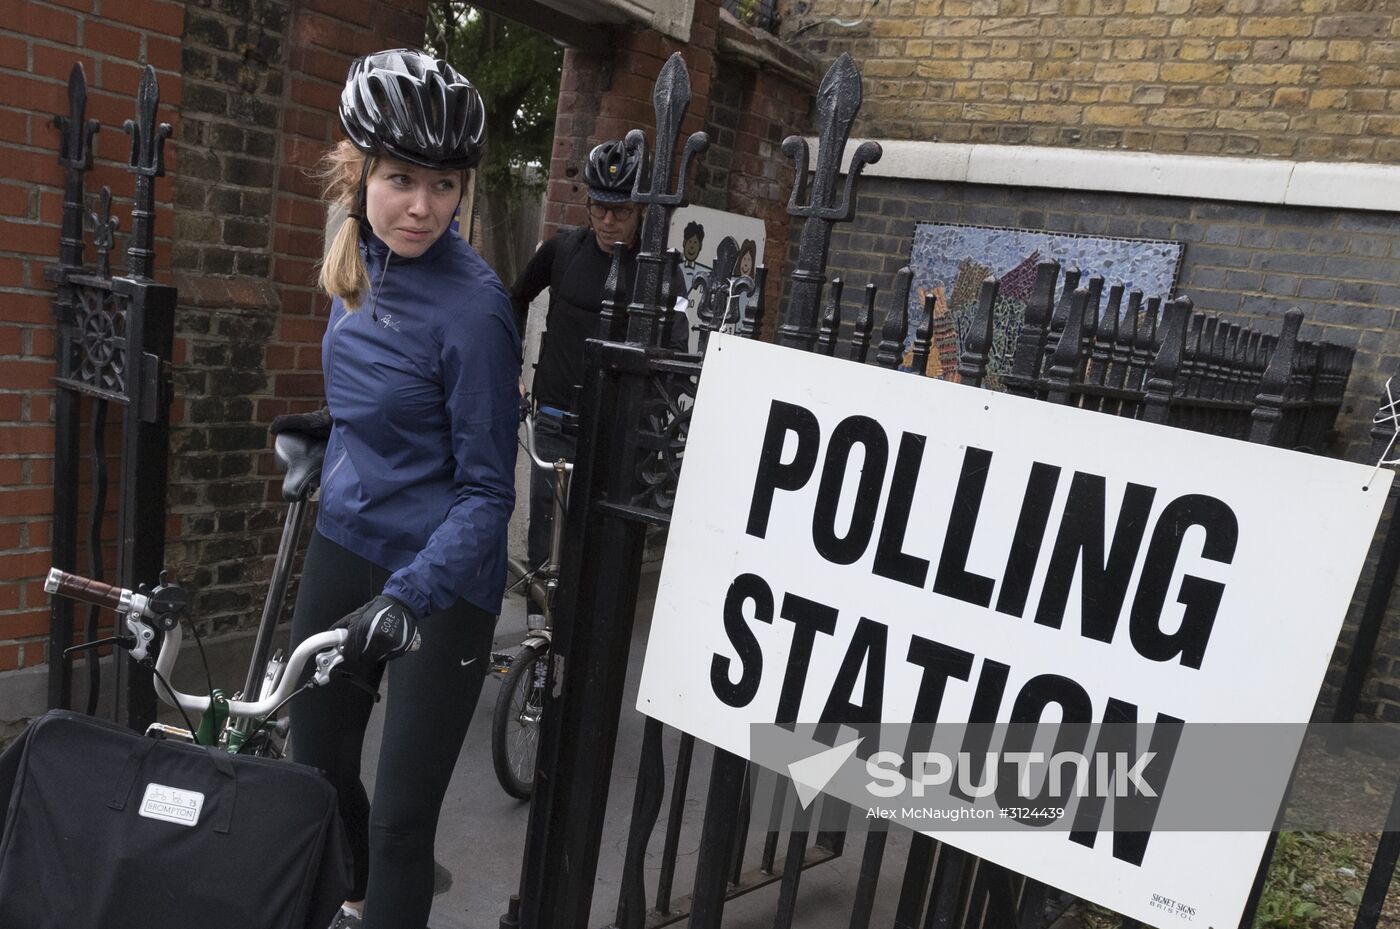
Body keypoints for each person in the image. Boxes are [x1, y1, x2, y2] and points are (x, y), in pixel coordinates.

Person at [270, 49, 520, 929]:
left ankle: (385, 899)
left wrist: (409, 595)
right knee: (316, 771)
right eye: (401, 178)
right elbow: (382, 401)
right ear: (361, 173)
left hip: (440, 583)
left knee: (404, 823)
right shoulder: (355, 261)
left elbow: (488, 493)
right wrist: (327, 438)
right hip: (346, 541)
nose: (422, 205)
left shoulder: (475, 310)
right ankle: (356, 898)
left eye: (444, 185)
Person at [509, 139, 686, 625]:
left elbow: (674, 351)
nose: (608, 221)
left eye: (621, 211)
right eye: (599, 208)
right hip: (555, 419)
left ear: (640, 210)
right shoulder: (563, 250)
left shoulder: (660, 269)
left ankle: (584, 635)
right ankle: (539, 630)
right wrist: (511, 368)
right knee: (547, 532)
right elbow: (514, 298)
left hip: (616, 429)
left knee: (601, 535)